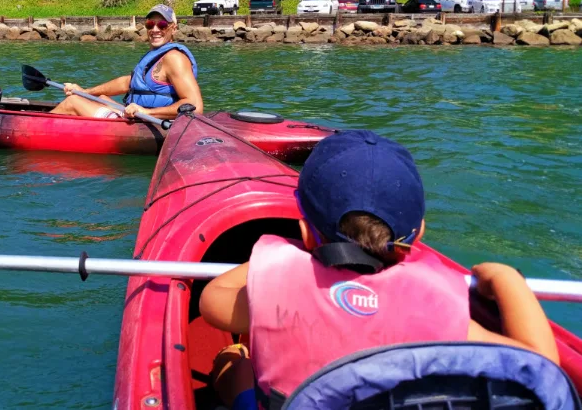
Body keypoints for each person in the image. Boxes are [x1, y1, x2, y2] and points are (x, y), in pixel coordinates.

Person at [199, 130, 559, 410]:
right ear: (419, 231)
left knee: (234, 364)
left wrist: (278, 257)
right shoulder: (438, 311)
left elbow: (212, 302)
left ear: (306, 230)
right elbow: (539, 364)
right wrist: (508, 280)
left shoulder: (279, 286)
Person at [49, 5, 203, 120]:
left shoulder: (174, 58)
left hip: (150, 123)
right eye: (150, 24)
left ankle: (33, 128)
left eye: (162, 25)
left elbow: (194, 106)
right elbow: (127, 83)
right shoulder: (156, 56)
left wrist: (147, 112)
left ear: (173, 28)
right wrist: (85, 91)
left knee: (73, 102)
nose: (155, 29)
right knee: (97, 98)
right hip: (137, 116)